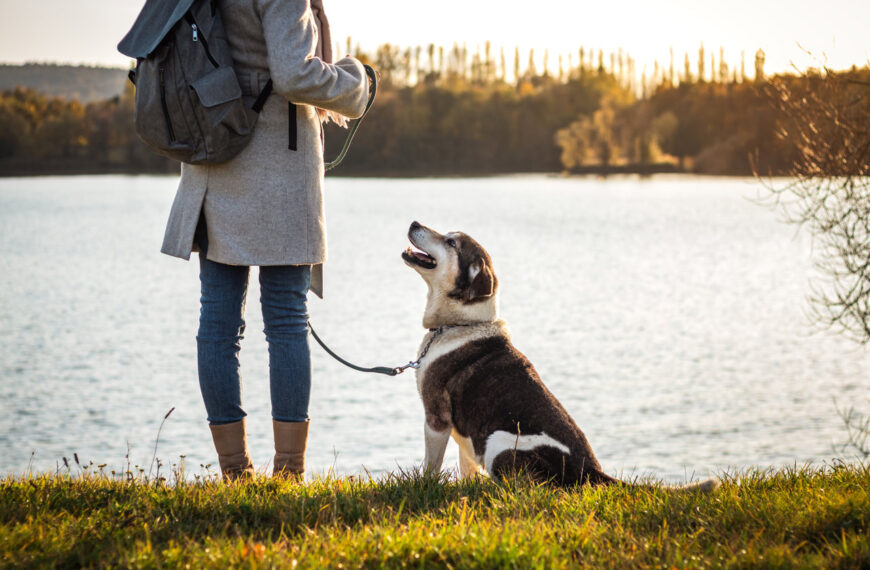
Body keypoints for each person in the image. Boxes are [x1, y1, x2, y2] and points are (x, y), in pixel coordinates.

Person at [160, 0, 371, 481]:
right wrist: (357, 83)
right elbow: (295, 75)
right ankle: (290, 472)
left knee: (217, 321)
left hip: (213, 155)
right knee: (286, 320)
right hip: (276, 165)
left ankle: (235, 471)